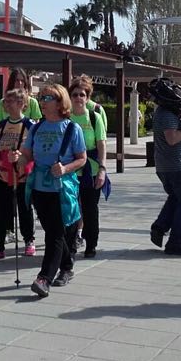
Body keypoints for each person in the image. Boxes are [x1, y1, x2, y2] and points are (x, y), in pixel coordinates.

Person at [20, 83, 86, 298]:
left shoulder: (71, 128)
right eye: (42, 98)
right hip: (39, 187)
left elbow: (82, 159)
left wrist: (65, 168)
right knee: (52, 231)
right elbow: (27, 154)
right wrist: (18, 159)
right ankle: (67, 266)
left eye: (48, 98)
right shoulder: (36, 128)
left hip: (61, 189)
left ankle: (44, 278)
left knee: (55, 233)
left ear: (60, 103)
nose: (43, 102)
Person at [0, 88, 36, 262]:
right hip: (2, 172)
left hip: (22, 173)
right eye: (5, 101)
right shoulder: (2, 124)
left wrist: (22, 156)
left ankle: (29, 239)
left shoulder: (30, 125)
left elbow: (34, 150)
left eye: (9, 101)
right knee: (1, 210)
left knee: (24, 207)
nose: (5, 104)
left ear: (21, 103)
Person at [149, 87, 181, 257]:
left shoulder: (169, 112)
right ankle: (176, 243)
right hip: (176, 166)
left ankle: (160, 227)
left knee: (176, 198)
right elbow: (172, 139)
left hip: (170, 165)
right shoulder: (167, 114)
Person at [69, 75, 107, 258]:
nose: (78, 98)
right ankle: (72, 242)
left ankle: (91, 243)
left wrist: (102, 169)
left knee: (90, 209)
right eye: (75, 94)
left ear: (87, 97)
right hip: (70, 171)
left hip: (91, 170)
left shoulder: (95, 117)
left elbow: (101, 144)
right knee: (71, 207)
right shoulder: (66, 118)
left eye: (82, 95)